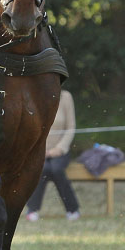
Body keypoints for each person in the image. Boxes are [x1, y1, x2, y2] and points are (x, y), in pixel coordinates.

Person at [25, 89, 80, 221]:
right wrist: (38, 150)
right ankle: (32, 210)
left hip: (60, 151)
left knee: (56, 169)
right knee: (42, 169)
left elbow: (71, 127)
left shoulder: (66, 97)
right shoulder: (32, 96)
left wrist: (59, 149)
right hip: (38, 151)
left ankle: (73, 210)